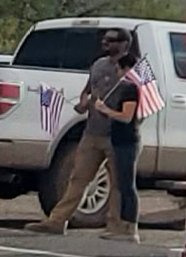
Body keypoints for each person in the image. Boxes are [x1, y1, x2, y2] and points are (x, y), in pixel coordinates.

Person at [47, 28, 157, 243]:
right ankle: (57, 221)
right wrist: (83, 102)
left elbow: (145, 103)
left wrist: (125, 118)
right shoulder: (98, 65)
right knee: (78, 177)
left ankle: (118, 227)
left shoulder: (137, 70)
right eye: (104, 39)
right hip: (92, 132)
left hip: (119, 137)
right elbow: (88, 90)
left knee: (119, 184)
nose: (106, 43)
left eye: (112, 40)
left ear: (125, 43)